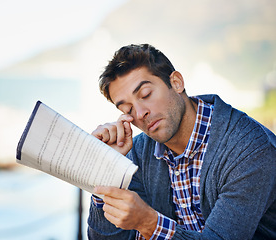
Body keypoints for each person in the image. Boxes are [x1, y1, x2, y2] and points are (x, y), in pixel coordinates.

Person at [87, 43, 276, 240]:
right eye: (127, 110)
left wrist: (148, 223)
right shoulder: (139, 151)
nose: (140, 114)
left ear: (176, 82)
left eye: (146, 95)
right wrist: (108, 169)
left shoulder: (250, 149)